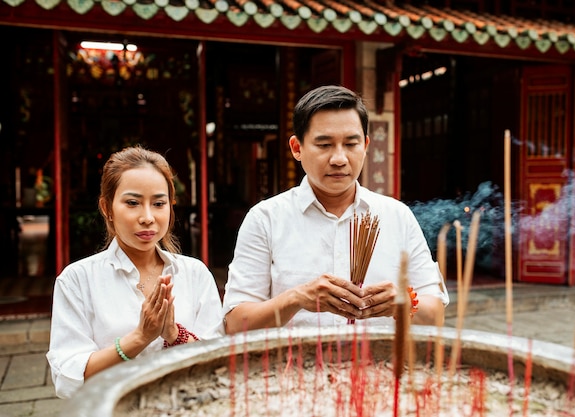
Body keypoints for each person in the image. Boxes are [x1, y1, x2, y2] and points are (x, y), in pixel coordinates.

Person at [222, 85, 449, 334]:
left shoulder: (397, 216)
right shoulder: (265, 219)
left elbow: (435, 314)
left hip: (379, 368)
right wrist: (296, 298)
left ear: (365, 145)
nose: (339, 158)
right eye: (324, 145)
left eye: (351, 144)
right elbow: (235, 322)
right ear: (297, 148)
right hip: (294, 369)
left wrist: (403, 303)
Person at [46, 145, 224, 399]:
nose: (148, 217)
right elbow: (68, 379)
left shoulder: (194, 274)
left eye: (159, 203)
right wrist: (139, 338)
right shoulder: (77, 280)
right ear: (107, 208)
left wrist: (174, 334)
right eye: (133, 203)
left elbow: (216, 361)